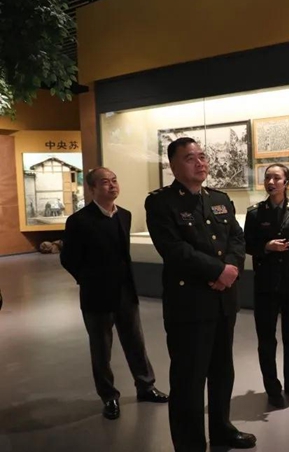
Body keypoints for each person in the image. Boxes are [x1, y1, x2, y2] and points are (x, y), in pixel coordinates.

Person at [145, 138, 256, 451]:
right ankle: (190, 443)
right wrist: (217, 271)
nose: (200, 162)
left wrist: (230, 269)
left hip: (223, 301)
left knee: (222, 371)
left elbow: (237, 238)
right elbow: (173, 249)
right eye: (190, 158)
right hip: (189, 304)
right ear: (173, 165)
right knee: (189, 379)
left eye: (202, 156)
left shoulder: (219, 199)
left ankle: (221, 428)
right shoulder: (161, 203)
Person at [60, 167, 168, 420]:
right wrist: (87, 279)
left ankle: (146, 386)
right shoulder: (79, 221)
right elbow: (68, 258)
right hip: (96, 295)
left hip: (125, 292)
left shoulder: (124, 215)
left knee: (136, 342)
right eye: (105, 182)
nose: (112, 185)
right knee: (101, 349)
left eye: (114, 180)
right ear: (92, 188)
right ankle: (108, 396)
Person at [244, 163, 289, 409]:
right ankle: (272, 388)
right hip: (265, 283)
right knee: (266, 338)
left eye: (276, 178)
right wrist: (266, 246)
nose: (271, 182)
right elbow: (246, 245)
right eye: (267, 178)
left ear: (286, 182)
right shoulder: (255, 213)